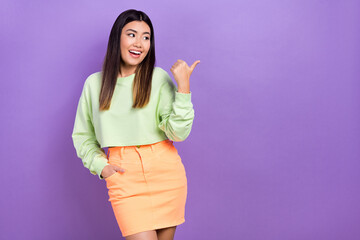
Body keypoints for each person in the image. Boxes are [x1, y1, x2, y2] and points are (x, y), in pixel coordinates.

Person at [71, 9, 200, 240]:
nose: (139, 43)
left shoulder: (157, 78)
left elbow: (178, 133)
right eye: (131, 34)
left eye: (146, 37)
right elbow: (83, 135)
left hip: (166, 172)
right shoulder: (94, 84)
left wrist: (183, 88)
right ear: (117, 38)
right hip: (124, 175)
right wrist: (102, 166)